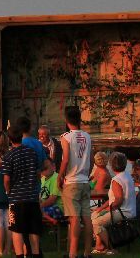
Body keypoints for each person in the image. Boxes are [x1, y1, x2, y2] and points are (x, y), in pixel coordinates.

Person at [4, 125, 43, 258]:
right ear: (21, 137)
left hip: (16, 198)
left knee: (16, 230)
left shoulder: (8, 156)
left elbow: (7, 179)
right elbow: (38, 172)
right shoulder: (31, 152)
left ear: (9, 139)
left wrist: (8, 191)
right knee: (33, 229)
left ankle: (20, 255)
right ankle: (36, 254)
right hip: (32, 196)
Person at [59, 105, 93, 258]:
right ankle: (87, 251)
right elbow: (91, 159)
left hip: (72, 181)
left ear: (66, 120)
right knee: (87, 217)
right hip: (85, 180)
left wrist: (60, 175)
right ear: (79, 119)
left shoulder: (66, 137)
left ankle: (72, 253)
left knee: (74, 218)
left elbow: (65, 159)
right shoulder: (87, 136)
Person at [92, 152, 136, 254]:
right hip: (129, 209)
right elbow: (112, 199)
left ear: (111, 165)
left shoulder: (116, 180)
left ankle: (110, 247)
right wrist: (100, 209)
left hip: (123, 212)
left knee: (96, 222)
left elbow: (118, 200)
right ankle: (99, 245)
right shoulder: (127, 176)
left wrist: (107, 210)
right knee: (94, 215)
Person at [39, 158, 63, 223]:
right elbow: (40, 197)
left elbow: (52, 200)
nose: (43, 171)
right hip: (45, 207)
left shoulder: (57, 178)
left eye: (45, 168)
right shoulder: (42, 179)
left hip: (57, 208)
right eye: (42, 169)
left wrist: (39, 206)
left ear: (53, 166)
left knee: (35, 212)